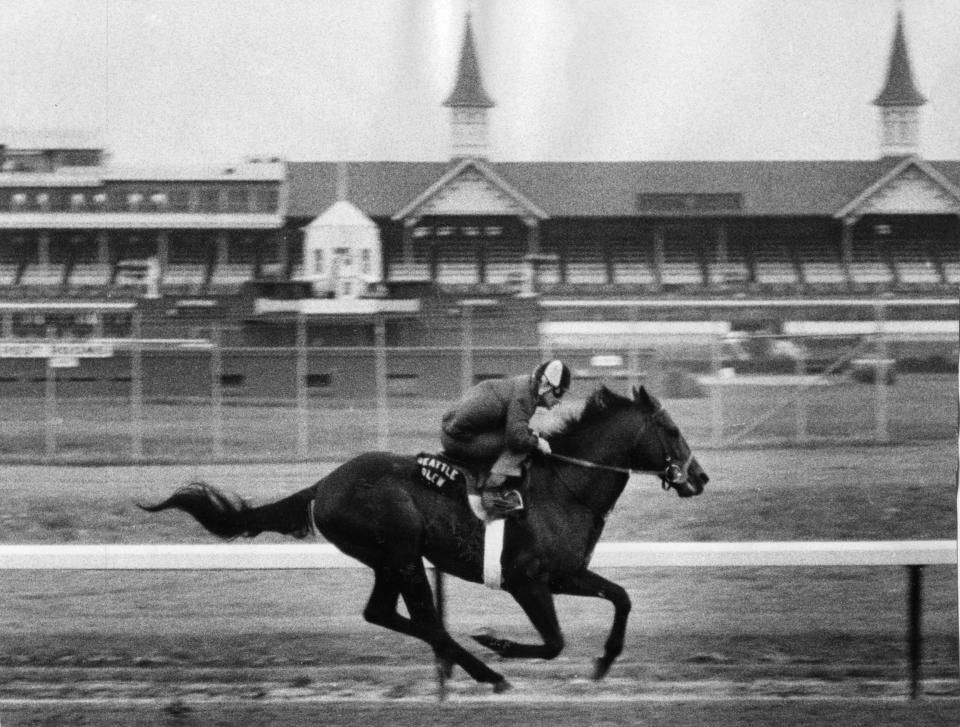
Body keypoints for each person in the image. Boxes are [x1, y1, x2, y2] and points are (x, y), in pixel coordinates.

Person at [440, 359, 571, 516]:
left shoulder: (524, 385)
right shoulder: (525, 397)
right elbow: (516, 439)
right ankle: (491, 498)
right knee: (520, 446)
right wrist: (537, 442)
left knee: (525, 437)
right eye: (559, 394)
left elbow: (514, 426)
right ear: (547, 387)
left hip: (456, 430)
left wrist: (532, 436)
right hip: (457, 438)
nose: (559, 401)